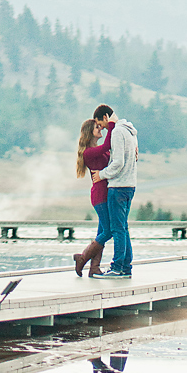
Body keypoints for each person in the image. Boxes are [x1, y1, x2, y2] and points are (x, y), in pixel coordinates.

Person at [93, 103, 139, 277]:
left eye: (101, 123)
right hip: (130, 185)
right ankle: (126, 266)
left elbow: (118, 162)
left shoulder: (118, 132)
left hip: (118, 186)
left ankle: (117, 267)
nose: (103, 128)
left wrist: (102, 174)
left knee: (118, 229)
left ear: (106, 117)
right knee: (123, 228)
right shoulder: (130, 131)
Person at [72, 116, 112, 276]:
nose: (101, 129)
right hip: (100, 196)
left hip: (105, 195)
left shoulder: (98, 150)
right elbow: (108, 144)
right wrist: (112, 125)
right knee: (108, 231)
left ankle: (94, 267)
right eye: (98, 127)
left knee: (101, 232)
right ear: (90, 132)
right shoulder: (89, 152)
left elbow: (110, 151)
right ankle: (82, 258)